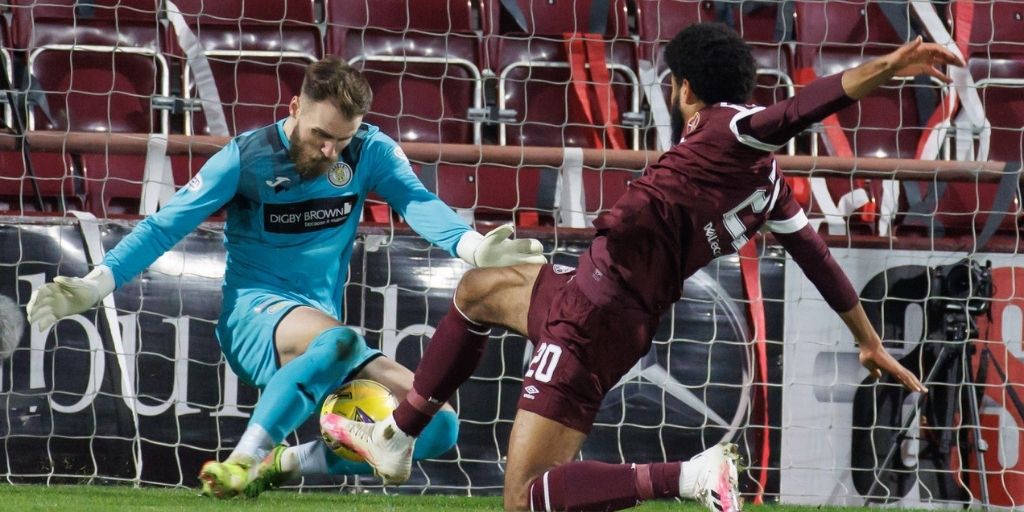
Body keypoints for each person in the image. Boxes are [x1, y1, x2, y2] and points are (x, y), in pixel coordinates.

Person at [321, 24, 958, 511]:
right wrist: (869, 341)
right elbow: (817, 258)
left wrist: (891, 66)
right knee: (481, 289)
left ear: (682, 87)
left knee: (524, 498)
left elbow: (798, 111)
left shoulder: (729, 130)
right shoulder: (767, 189)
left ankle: (688, 476)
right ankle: (398, 436)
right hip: (592, 292)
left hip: (592, 313)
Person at [25, 56, 546, 498]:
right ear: (294, 108)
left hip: (322, 335)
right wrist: (95, 283)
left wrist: (473, 245)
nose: (329, 151)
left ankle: (285, 465)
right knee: (340, 340)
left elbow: (418, 202)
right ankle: (246, 459)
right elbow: (164, 227)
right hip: (254, 317)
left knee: (435, 424)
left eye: (341, 140)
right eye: (321, 135)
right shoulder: (246, 158)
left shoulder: (369, 150)